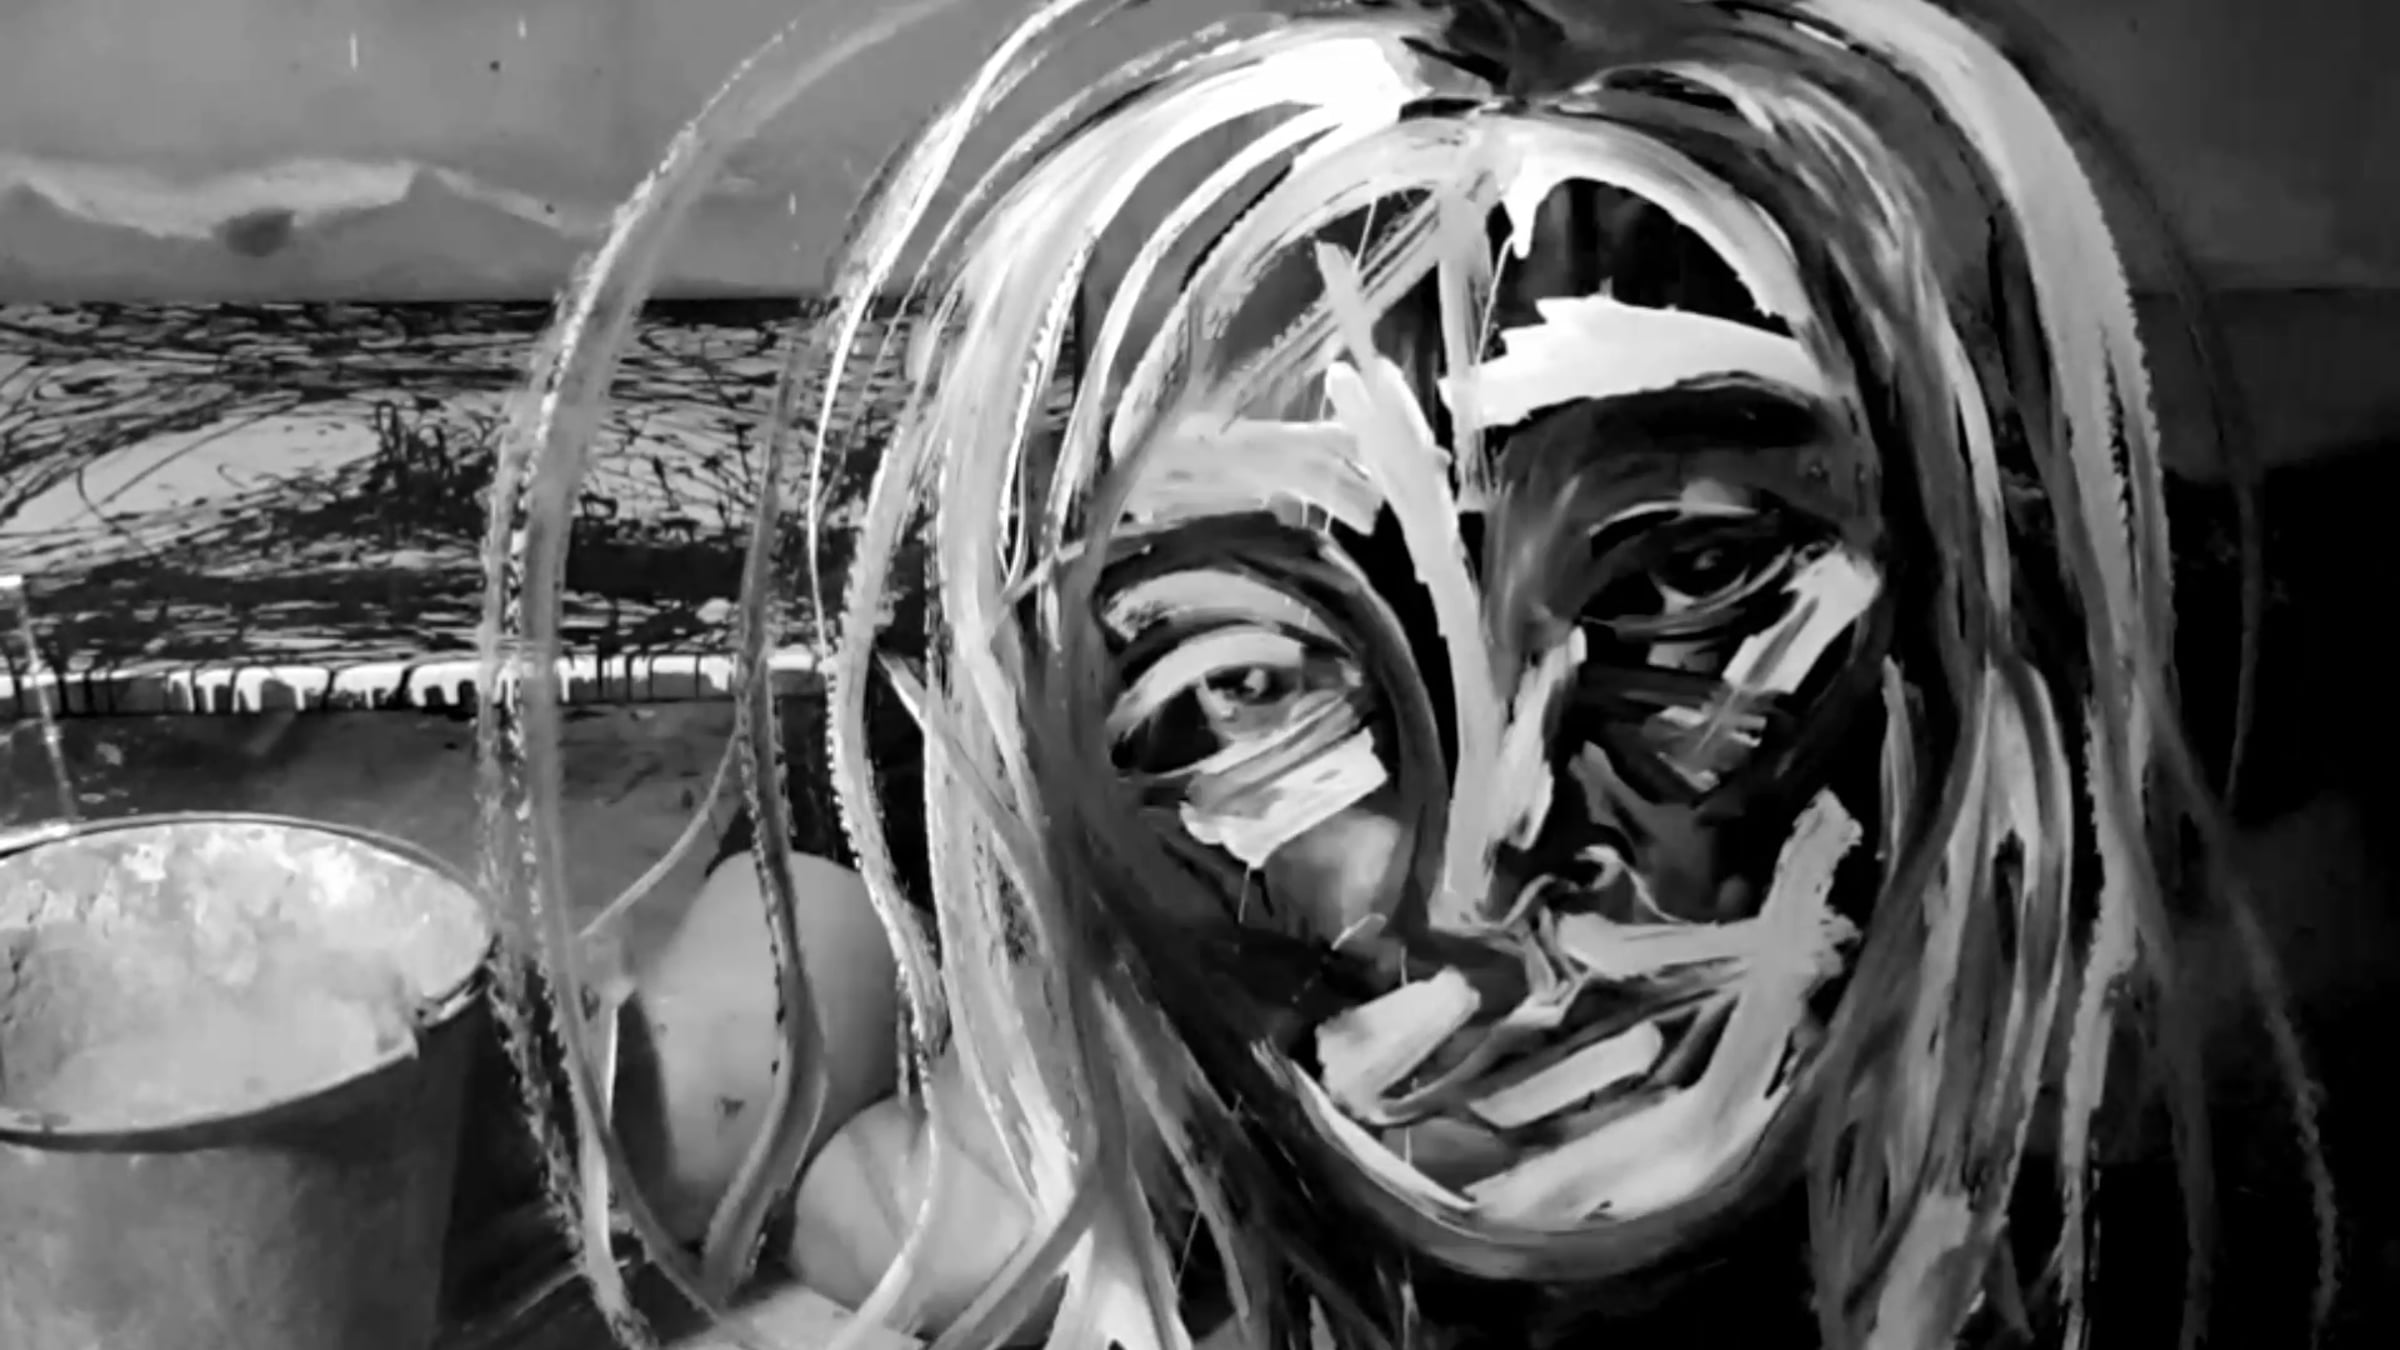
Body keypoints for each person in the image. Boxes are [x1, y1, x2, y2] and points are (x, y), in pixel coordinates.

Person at [592, 2, 2331, 1347]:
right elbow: (746, 1064)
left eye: (1681, 589)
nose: (1492, 854)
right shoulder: (1084, 662)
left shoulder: (2091, 710)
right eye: (1263, 683)